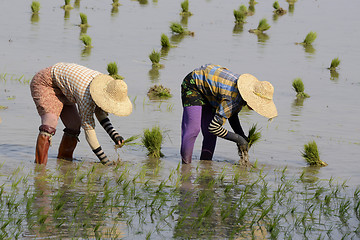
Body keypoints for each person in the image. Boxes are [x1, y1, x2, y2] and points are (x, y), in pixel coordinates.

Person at [30, 62, 132, 166]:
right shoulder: (86, 97)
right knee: (50, 123)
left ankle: (64, 163)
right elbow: (89, 131)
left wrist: (115, 135)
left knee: (74, 125)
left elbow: (99, 112)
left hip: (64, 89)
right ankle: (39, 168)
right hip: (46, 83)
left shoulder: (105, 86)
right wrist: (104, 160)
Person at [180, 64, 277, 164]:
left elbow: (232, 114)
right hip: (194, 84)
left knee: (210, 135)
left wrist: (242, 136)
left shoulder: (239, 97)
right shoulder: (233, 98)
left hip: (211, 92)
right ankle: (186, 167)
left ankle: (206, 167)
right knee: (193, 129)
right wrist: (238, 139)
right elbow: (214, 127)